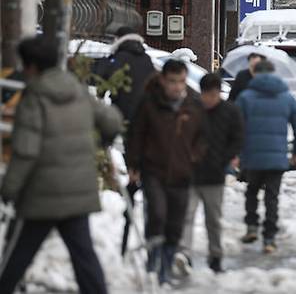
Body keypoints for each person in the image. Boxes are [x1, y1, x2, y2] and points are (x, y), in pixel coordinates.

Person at [0, 36, 123, 294]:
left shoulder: (34, 98)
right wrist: (103, 140)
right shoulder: (77, 90)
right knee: (84, 257)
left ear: (32, 65)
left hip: (41, 195)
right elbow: (112, 119)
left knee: (16, 255)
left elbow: (26, 152)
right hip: (77, 193)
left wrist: (8, 189)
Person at [126, 59, 206, 285]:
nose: (177, 87)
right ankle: (154, 262)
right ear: (163, 80)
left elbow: (203, 137)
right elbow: (135, 134)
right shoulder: (149, 103)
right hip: (154, 170)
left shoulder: (192, 104)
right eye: (172, 82)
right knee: (158, 214)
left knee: (175, 225)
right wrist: (133, 164)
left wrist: (196, 158)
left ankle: (167, 267)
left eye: (181, 81)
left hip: (183, 172)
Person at [96, 26, 156, 257]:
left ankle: (128, 192)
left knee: (128, 161)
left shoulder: (118, 59)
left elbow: (102, 83)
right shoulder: (148, 60)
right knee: (139, 166)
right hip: (146, 123)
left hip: (121, 120)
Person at [236, 60, 296, 254]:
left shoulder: (245, 97)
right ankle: (269, 238)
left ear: (256, 74)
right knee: (272, 197)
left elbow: (235, 127)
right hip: (277, 158)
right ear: (273, 73)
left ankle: (251, 226)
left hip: (252, 157)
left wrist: (236, 152)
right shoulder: (286, 98)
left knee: (251, 191)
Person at [178, 74, 244, 274]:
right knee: (187, 215)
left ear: (219, 93)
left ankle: (215, 256)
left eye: (214, 95)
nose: (210, 99)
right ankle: (184, 255)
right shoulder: (192, 110)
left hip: (215, 175)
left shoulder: (230, 111)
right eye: (207, 94)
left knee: (213, 219)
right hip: (190, 173)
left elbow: (238, 138)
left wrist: (225, 159)